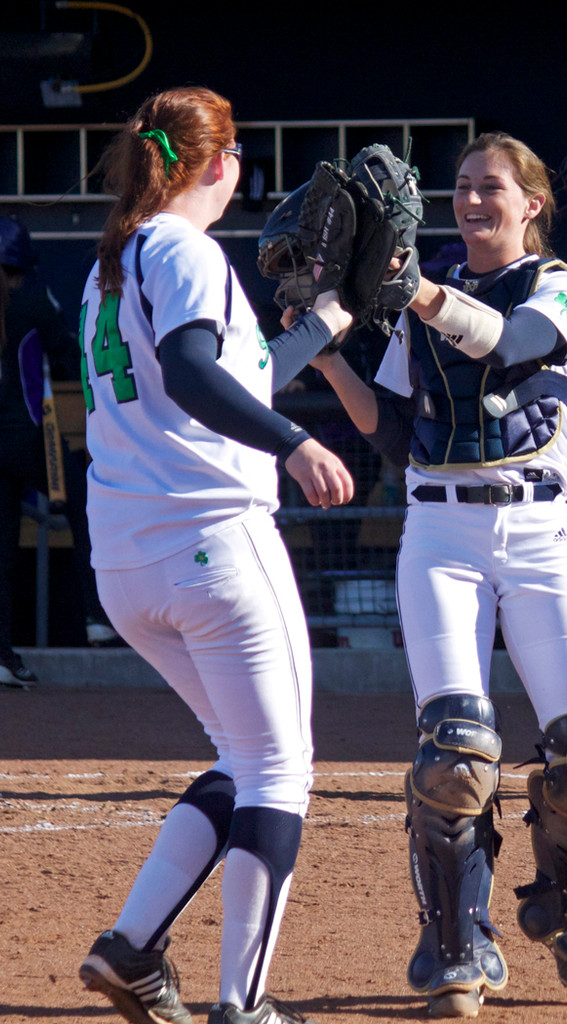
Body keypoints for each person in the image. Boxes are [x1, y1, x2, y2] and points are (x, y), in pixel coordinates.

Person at [308, 132, 567, 1017]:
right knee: (453, 752)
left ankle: (566, 909)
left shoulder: (561, 284)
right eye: (460, 186)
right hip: (441, 531)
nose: (472, 199)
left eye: (492, 187)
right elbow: (390, 428)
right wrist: (326, 345)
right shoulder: (416, 302)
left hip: (537, 529)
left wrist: (412, 287)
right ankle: (455, 943)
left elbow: (509, 345)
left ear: (531, 203)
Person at [76, 86, 354, 1024]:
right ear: (219, 163)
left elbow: (221, 371)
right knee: (278, 767)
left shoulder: (112, 259)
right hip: (210, 542)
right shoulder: (186, 248)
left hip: (128, 560)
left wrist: (324, 327)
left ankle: (128, 950)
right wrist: (294, 441)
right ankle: (245, 1003)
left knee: (242, 758)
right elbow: (197, 374)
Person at [0, 216, 119, 688]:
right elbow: (70, 355)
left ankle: (2, 654)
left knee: (2, 550)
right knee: (87, 506)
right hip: (29, 437)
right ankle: (97, 617)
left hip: (13, 440)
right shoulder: (33, 297)